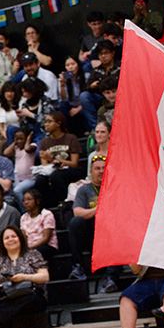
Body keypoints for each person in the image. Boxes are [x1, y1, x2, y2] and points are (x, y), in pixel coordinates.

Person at [68, 155, 118, 293]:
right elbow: (77, 211)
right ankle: (78, 267)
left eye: (103, 168)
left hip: (112, 232)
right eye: (97, 168)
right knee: (75, 223)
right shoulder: (84, 190)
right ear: (91, 171)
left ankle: (111, 278)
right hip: (92, 234)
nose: (101, 171)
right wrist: (99, 209)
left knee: (114, 225)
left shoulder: (114, 186)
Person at [35, 111, 84, 205]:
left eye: (49, 121)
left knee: (56, 176)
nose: (46, 124)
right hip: (53, 169)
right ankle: (49, 206)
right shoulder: (44, 142)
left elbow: (74, 163)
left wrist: (53, 159)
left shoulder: (71, 138)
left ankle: (65, 203)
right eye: (45, 122)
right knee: (40, 180)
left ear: (58, 123)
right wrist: (51, 160)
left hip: (70, 170)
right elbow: (45, 165)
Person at [20, 189, 57, 259]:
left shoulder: (46, 214)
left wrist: (30, 247)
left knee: (32, 254)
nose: (26, 202)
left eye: (29, 199)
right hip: (29, 247)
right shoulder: (23, 217)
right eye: (24, 200)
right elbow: (23, 236)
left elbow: (46, 238)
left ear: (37, 201)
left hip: (46, 246)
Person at [6, 128, 38, 199]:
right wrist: (14, 142)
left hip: (30, 178)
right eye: (17, 139)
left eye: (21, 139)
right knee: (12, 195)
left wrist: (28, 139)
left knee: (17, 190)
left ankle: (23, 209)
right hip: (17, 177)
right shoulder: (16, 148)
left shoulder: (32, 145)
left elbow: (27, 149)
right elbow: (6, 153)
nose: (19, 141)